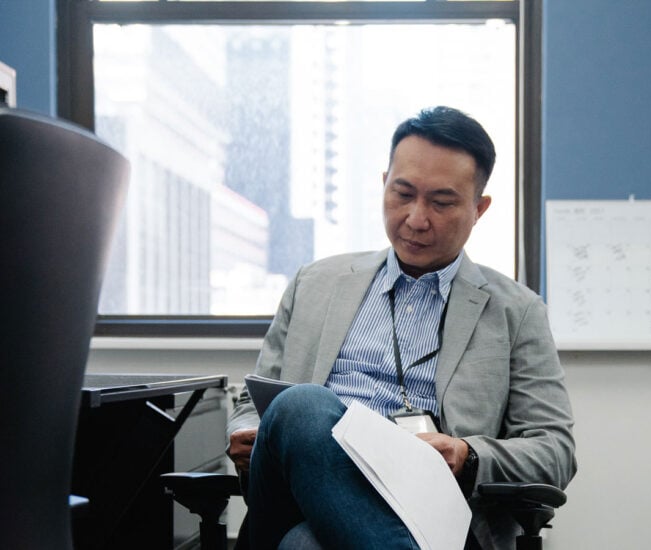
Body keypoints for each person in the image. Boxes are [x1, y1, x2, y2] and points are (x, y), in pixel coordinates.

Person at [226, 106, 576, 549]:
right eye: (403, 193)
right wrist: (245, 435)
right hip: (296, 488)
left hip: (430, 515)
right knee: (301, 408)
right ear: (383, 184)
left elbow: (554, 451)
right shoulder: (315, 284)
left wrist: (468, 456)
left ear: (479, 208)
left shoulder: (516, 311)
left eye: (442, 202)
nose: (415, 218)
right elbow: (251, 399)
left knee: (305, 545)